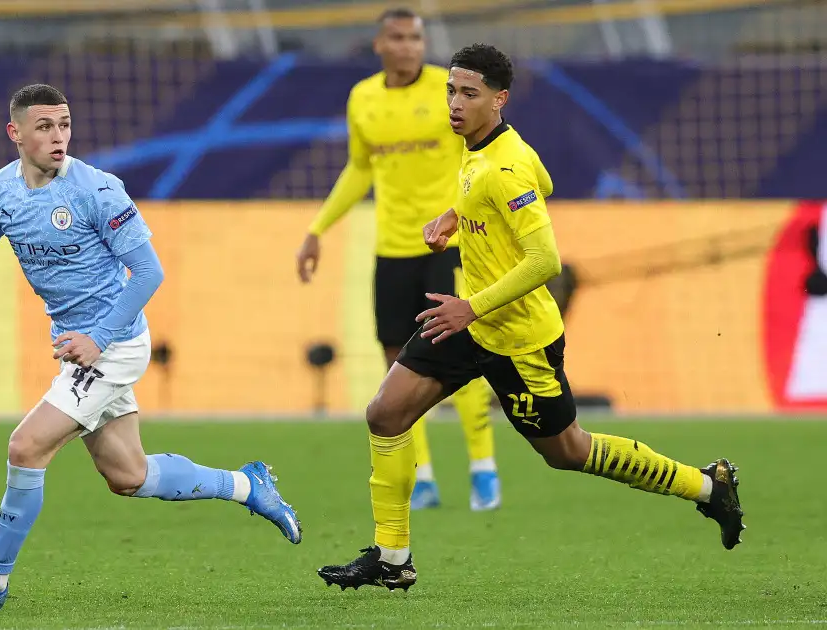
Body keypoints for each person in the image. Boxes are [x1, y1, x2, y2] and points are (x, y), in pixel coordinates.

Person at [317, 44, 746, 592]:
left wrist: (470, 304)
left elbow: (545, 261)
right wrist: (459, 213)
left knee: (568, 451)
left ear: (498, 99)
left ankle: (708, 486)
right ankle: (392, 559)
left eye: (469, 94)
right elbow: (542, 182)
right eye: (450, 90)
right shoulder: (485, 150)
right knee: (385, 413)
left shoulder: (504, 164)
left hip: (517, 339)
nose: (455, 102)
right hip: (468, 322)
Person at [0, 84, 302, 616]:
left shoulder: (97, 190)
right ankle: (245, 485)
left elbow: (148, 272)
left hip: (113, 344)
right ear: (16, 133)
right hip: (77, 346)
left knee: (26, 447)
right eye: (45, 126)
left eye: (65, 124)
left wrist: (98, 337)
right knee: (129, 476)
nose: (58, 136)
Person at [296, 7, 499, 512]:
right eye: (399, 38)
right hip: (390, 251)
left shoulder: (449, 91)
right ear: (379, 45)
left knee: (463, 354)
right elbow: (359, 169)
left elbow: (484, 155)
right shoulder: (362, 98)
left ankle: (482, 468)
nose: (409, 46)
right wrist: (318, 228)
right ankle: (422, 476)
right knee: (399, 361)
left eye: (416, 38)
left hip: (447, 246)